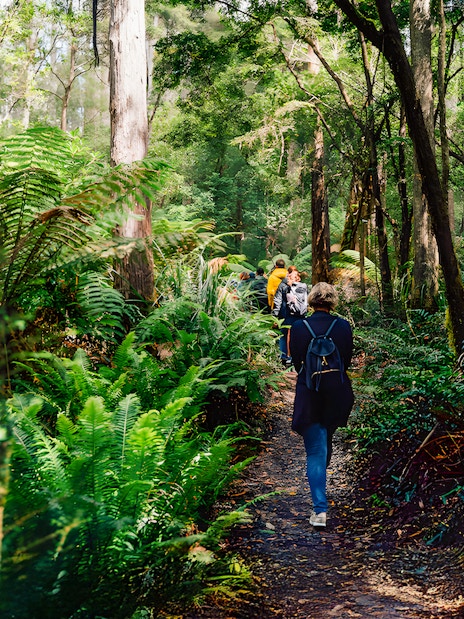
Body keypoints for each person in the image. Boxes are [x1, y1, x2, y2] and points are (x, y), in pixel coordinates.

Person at [289, 282, 354, 528]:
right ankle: (321, 490)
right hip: (337, 393)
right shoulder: (343, 326)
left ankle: (319, 511)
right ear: (332, 302)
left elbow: (296, 363)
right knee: (325, 441)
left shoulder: (298, 327)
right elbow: (346, 360)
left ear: (312, 301)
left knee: (316, 450)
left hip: (310, 393)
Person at [272, 268, 308, 365]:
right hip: (300, 315)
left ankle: (284, 357)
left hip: (286, 315)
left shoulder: (283, 286)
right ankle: (295, 357)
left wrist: (275, 316)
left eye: (289, 274)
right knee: (296, 336)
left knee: (283, 335)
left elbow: (277, 302)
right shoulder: (304, 286)